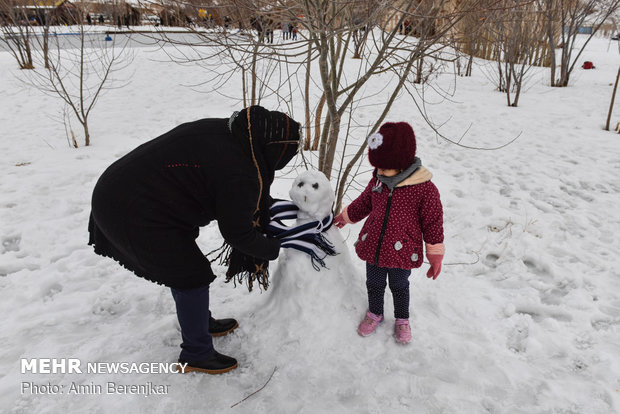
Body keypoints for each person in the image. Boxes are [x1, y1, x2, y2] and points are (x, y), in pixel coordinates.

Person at [88, 106, 304, 374]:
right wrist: (275, 247)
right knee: (190, 274)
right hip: (128, 208)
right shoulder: (240, 170)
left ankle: (199, 321)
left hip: (129, 191)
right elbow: (238, 232)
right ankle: (196, 354)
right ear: (273, 150)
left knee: (184, 267)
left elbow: (242, 202)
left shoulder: (234, 133)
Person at [334, 122, 444, 344]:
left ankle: (402, 319)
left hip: (402, 251)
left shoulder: (424, 188)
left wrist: (434, 253)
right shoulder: (378, 180)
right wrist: (346, 217)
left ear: (401, 163)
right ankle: (375, 313)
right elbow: (365, 202)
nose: (379, 171)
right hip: (374, 245)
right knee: (374, 283)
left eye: (385, 167)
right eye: (378, 166)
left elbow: (433, 221)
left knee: (399, 285)